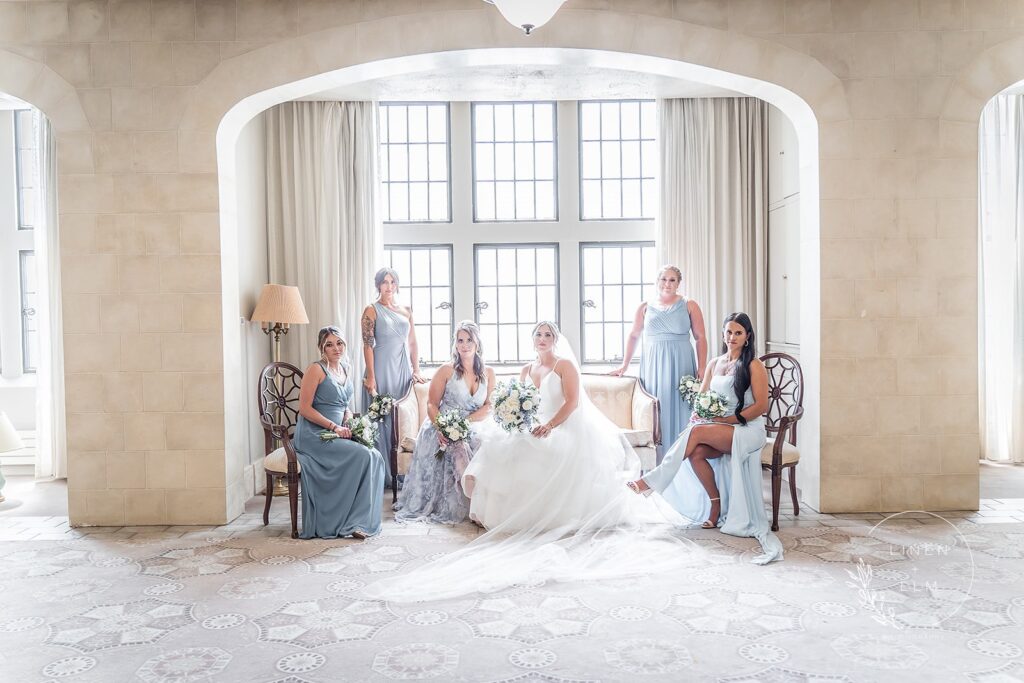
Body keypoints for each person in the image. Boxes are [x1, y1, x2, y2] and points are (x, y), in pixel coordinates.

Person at [366, 321, 699, 602]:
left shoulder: (565, 366)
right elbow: (517, 404)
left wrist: (550, 425)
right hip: (534, 425)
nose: (542, 341)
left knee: (545, 450)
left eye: (547, 336)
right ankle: (493, 511)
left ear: (555, 340)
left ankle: (558, 508)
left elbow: (571, 404)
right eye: (538, 336)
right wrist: (517, 419)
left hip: (562, 426)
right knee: (503, 446)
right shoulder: (527, 368)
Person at [627, 312, 782, 565]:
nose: (732, 337)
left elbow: (761, 406)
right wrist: (698, 419)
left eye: (738, 333)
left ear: (747, 336)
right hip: (719, 427)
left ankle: (652, 480)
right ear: (722, 334)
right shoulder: (714, 363)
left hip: (747, 429)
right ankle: (715, 505)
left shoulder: (754, 365)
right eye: (728, 332)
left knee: (698, 433)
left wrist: (726, 421)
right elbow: (701, 401)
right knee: (696, 452)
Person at [395, 321, 495, 524]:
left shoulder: (488, 373)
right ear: (455, 344)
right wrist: (445, 427)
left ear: (477, 343)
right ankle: (471, 505)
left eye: (469, 340)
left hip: (471, 424)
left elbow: (488, 406)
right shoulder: (446, 370)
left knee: (488, 443)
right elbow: (432, 404)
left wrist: (464, 423)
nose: (465, 345)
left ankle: (487, 502)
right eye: (460, 340)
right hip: (440, 424)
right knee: (459, 447)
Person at [293, 326, 386, 539]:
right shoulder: (315, 369)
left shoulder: (345, 368)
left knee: (376, 455)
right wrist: (334, 426)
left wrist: (348, 418)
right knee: (363, 455)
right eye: (329, 344)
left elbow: (343, 402)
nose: (336, 348)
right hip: (314, 435)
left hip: (339, 432)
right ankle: (350, 521)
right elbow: (305, 408)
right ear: (321, 349)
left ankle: (359, 521)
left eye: (339, 343)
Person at [611, 265, 707, 464]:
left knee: (682, 408)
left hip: (681, 362)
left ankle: (683, 462)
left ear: (679, 283)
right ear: (657, 282)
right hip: (654, 364)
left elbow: (700, 337)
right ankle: (657, 464)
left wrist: (702, 367)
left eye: (672, 280)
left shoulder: (689, 305)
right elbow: (634, 335)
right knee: (656, 409)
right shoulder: (645, 306)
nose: (667, 284)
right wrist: (624, 365)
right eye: (664, 279)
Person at [361, 268, 427, 484]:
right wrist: (371, 376)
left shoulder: (406, 310)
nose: (389, 286)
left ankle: (400, 470)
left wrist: (415, 369)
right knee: (381, 416)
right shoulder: (371, 310)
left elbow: (413, 342)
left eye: (392, 282)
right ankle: (383, 473)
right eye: (384, 282)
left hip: (402, 368)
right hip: (381, 367)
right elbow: (368, 345)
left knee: (400, 416)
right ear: (378, 285)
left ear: (397, 285)